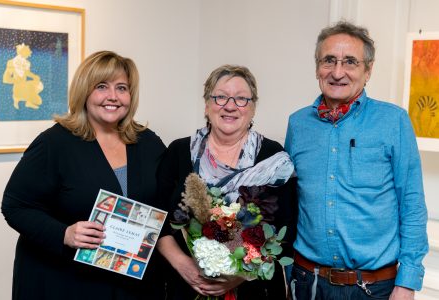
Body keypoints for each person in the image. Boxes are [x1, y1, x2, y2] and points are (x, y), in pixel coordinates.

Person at [1, 51, 166, 300]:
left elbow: (165, 202)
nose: (113, 96)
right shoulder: (54, 143)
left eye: (122, 88)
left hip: (128, 285)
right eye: (101, 86)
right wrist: (64, 233)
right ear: (84, 92)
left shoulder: (148, 142)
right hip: (63, 282)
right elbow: (15, 206)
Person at [284, 21, 428, 300]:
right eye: (329, 61)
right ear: (317, 67)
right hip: (307, 283)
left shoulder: (394, 121)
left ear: (368, 70)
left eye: (350, 62)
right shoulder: (298, 123)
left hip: (374, 288)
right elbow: (291, 202)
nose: (338, 72)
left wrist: (407, 282)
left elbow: (412, 204)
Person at [156, 64, 297, 300]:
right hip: (188, 287)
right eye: (220, 97)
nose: (230, 106)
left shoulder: (273, 158)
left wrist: (241, 273)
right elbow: (156, 219)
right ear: (207, 103)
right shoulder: (178, 152)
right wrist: (183, 265)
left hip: (253, 289)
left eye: (241, 99)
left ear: (252, 108)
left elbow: (288, 229)